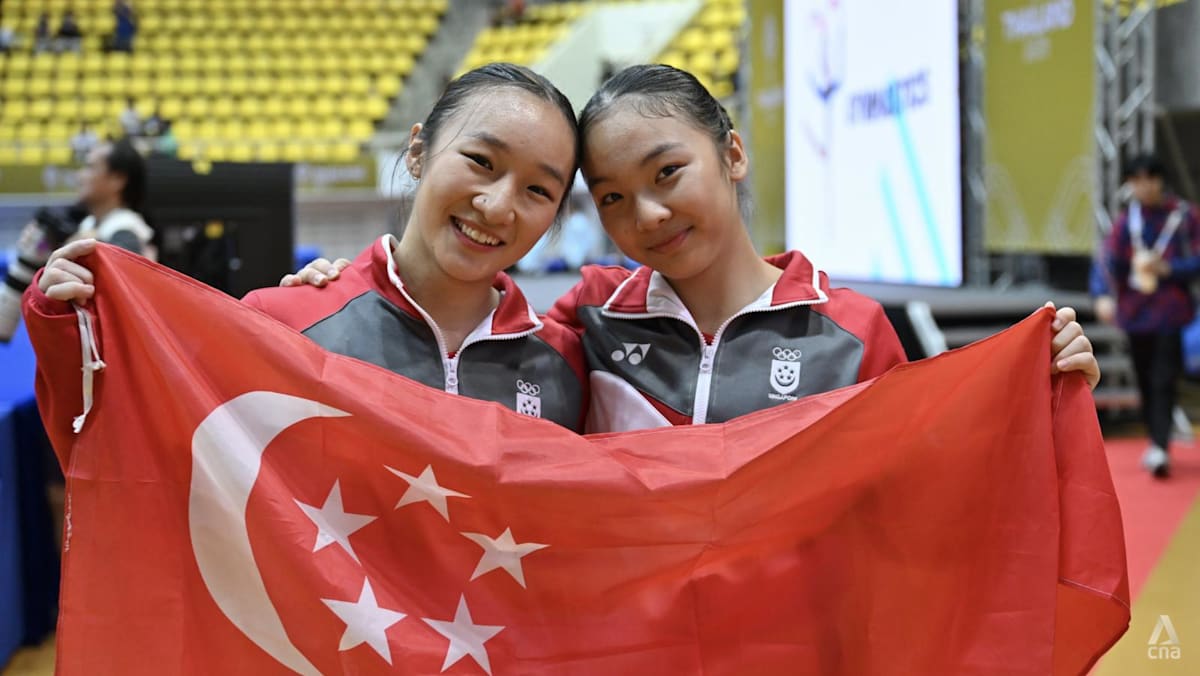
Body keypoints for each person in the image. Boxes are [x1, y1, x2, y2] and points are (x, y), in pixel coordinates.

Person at [290, 64, 1100, 434]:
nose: (645, 214)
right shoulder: (587, 322)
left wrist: (1042, 382)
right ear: (421, 149)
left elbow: (930, 471)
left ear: (733, 155)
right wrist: (333, 287)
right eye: (609, 196)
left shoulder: (851, 335)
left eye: (668, 173)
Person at [29, 64, 588, 432]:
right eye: (481, 162)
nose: (496, 206)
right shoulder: (279, 325)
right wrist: (68, 332)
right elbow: (145, 448)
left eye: (538, 190)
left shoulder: (566, 363)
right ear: (417, 153)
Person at [1104, 153, 1200, 477]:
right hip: (1134, 312)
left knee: (1163, 377)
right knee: (1145, 377)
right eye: (1136, 180)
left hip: (1171, 312)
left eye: (1149, 179)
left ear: (1160, 180)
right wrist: (1104, 295)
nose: (1144, 186)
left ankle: (1160, 445)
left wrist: (1169, 268)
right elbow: (1109, 261)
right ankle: (1154, 438)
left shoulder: (1184, 217)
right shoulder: (1124, 221)